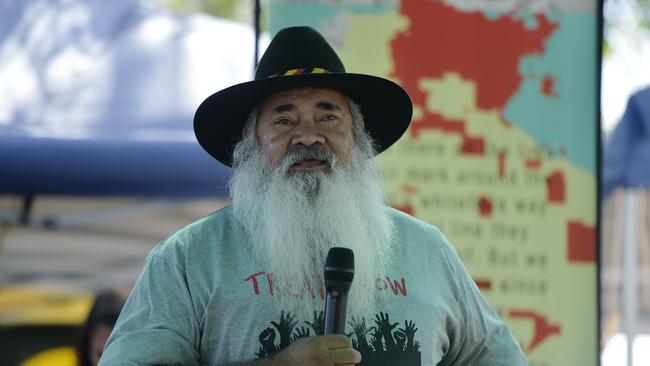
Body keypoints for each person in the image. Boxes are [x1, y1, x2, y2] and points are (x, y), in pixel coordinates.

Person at [99, 26, 526, 365]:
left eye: (329, 114)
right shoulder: (191, 257)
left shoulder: (426, 250)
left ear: (358, 137)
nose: (309, 136)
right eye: (284, 120)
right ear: (251, 141)